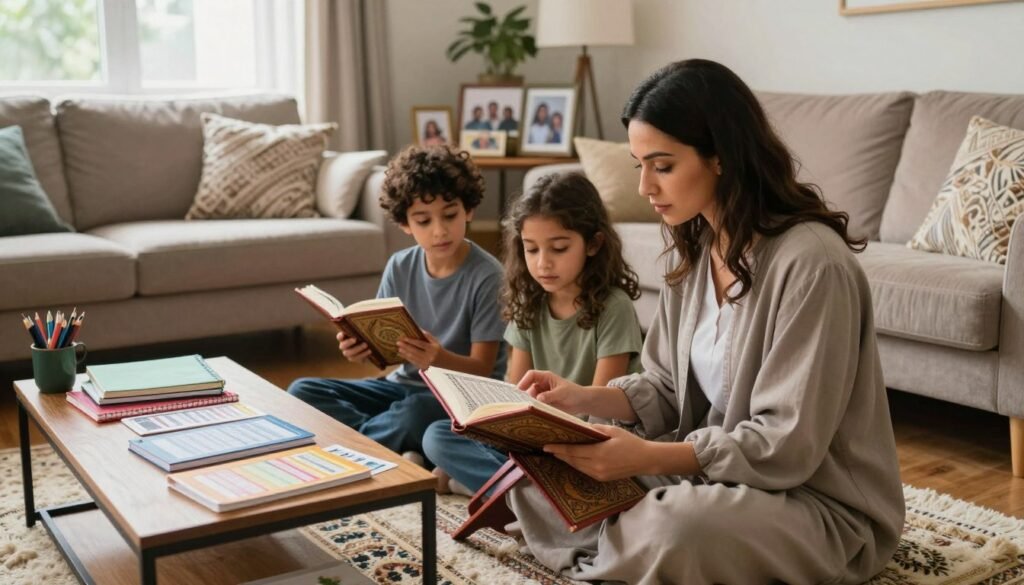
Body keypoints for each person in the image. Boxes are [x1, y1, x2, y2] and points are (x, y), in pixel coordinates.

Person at [506, 59, 905, 584]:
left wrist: (647, 458)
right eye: (638, 165)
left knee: (677, 527)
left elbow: (785, 443)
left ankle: (619, 541)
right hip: (716, 471)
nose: (645, 186)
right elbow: (663, 388)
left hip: (810, 500)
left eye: (663, 166)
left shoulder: (813, 266)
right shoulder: (697, 250)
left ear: (721, 157)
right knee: (542, 465)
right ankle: (625, 542)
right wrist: (579, 399)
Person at [422, 172, 644, 495]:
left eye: (558, 248)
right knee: (437, 435)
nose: (543, 264)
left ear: (593, 244)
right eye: (531, 249)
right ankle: (527, 494)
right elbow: (516, 392)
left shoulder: (614, 308)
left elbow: (600, 410)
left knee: (576, 467)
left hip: (589, 440)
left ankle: (498, 489)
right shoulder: (530, 303)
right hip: (537, 438)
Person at [287, 145, 507, 462]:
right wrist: (360, 349)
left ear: (468, 210)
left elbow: (483, 371)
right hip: (401, 388)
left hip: (457, 397)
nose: (440, 230)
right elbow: (385, 352)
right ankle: (398, 445)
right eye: (423, 221)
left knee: (415, 413)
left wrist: (438, 357)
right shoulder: (400, 265)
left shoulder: (488, 276)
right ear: (405, 224)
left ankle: (357, 449)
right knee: (303, 391)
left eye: (450, 215)